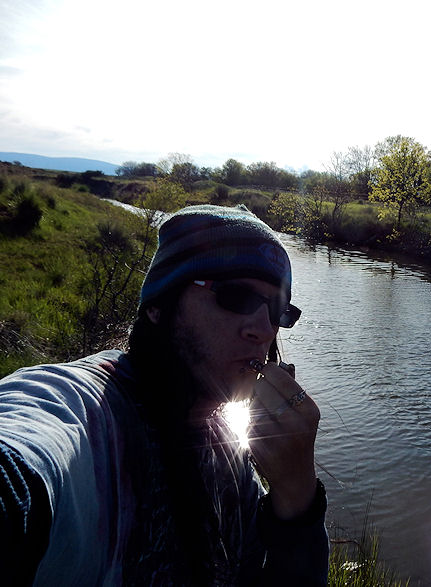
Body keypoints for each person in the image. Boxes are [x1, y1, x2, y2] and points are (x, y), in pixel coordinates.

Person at [0, 204, 328, 585]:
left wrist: (296, 493)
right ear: (158, 306)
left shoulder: (229, 452)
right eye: (235, 297)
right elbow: (25, 446)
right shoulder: (85, 412)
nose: (264, 330)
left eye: (277, 310)